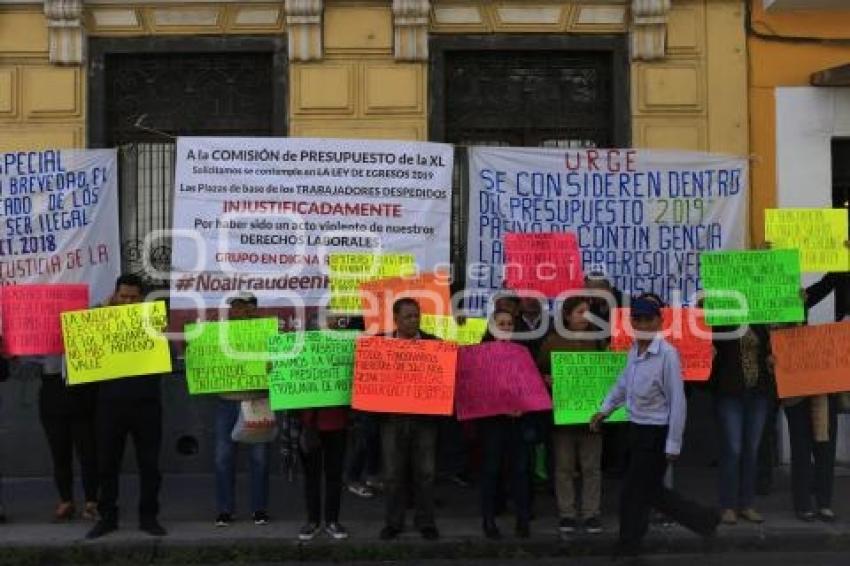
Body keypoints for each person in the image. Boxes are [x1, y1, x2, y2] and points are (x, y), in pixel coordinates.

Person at [591, 298, 718, 557]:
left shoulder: (668, 355)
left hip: (656, 433)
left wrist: (673, 443)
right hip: (636, 430)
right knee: (649, 492)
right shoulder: (633, 351)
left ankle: (629, 544)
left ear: (659, 323)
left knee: (633, 493)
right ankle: (704, 520)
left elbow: (678, 401)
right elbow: (623, 385)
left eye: (648, 320)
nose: (643, 325)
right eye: (637, 320)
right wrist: (604, 410)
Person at [87, 274, 167, 539]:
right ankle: (107, 517)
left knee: (150, 465)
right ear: (115, 296)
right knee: (107, 465)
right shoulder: (101, 321)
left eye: (134, 297)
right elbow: (85, 352)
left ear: (141, 298)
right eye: (124, 297)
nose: (128, 301)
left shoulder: (154, 323)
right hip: (110, 405)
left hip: (146, 404)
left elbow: (164, 358)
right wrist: (103, 316)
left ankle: (149, 517)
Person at [537, 296, 605, 535]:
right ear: (567, 315)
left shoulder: (598, 341)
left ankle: (591, 514)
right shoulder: (552, 342)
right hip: (563, 417)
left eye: (588, 312)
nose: (585, 316)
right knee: (564, 467)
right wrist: (547, 380)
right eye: (580, 311)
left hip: (591, 418)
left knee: (591, 467)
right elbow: (538, 372)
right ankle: (566, 513)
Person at [378, 298, 441, 541]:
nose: (414, 320)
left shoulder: (434, 345)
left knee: (425, 473)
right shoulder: (380, 345)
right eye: (408, 317)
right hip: (392, 419)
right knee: (393, 474)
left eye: (416, 316)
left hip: (424, 420)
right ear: (395, 319)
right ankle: (394, 522)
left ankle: (426, 522)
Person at [214, 292, 272, 527]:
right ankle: (225, 510)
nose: (235, 311)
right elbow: (204, 360)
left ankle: (259, 509)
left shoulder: (267, 333)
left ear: (253, 309)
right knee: (222, 458)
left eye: (240, 307)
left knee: (260, 459)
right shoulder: (217, 334)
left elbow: (276, 364)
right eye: (233, 307)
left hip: (257, 401)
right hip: (226, 401)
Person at [477, 309, 535, 539]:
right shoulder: (479, 354)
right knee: (491, 471)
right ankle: (489, 520)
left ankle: (523, 519)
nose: (506, 327)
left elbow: (530, 386)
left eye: (510, 323)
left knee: (520, 471)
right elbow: (476, 390)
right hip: (492, 424)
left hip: (517, 422)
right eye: (501, 323)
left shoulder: (523, 352)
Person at [710, 324, 774, 524]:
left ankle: (746, 504)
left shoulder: (762, 323)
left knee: (751, 450)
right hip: (730, 393)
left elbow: (770, 350)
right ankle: (727, 505)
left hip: (758, 392)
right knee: (733, 449)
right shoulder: (723, 320)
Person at [37, 354, 99, 521]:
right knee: (59, 453)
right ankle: (66, 500)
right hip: (52, 394)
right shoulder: (44, 336)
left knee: (88, 453)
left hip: (83, 393)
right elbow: (28, 356)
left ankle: (91, 501)